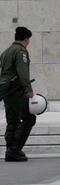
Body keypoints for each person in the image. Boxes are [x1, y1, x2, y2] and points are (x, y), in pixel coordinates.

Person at [0, 27, 36, 162]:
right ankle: (15, 149)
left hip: (6, 91)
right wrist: (28, 89)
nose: (29, 42)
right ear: (26, 39)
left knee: (12, 121)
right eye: (29, 40)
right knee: (29, 118)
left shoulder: (6, 52)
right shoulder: (21, 51)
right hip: (16, 90)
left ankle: (10, 149)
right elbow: (22, 72)